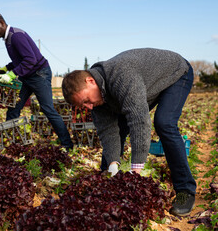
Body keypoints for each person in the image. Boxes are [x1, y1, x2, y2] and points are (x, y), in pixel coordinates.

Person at [62, 48, 196, 217]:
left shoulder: (121, 75)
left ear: (90, 81)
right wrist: (112, 165)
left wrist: (136, 172)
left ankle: (186, 190)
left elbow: (139, 119)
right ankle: (107, 183)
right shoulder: (97, 102)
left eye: (87, 100)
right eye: (83, 106)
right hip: (147, 85)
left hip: (175, 74)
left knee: (164, 123)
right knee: (118, 131)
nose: (88, 107)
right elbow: (108, 133)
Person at [0, 12, 73, 149]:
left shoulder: (16, 36)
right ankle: (11, 143)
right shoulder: (8, 38)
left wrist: (12, 75)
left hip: (39, 74)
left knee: (47, 109)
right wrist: (6, 68)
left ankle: (67, 145)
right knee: (14, 107)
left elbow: (31, 59)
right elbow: (20, 59)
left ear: (1, 23)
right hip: (27, 76)